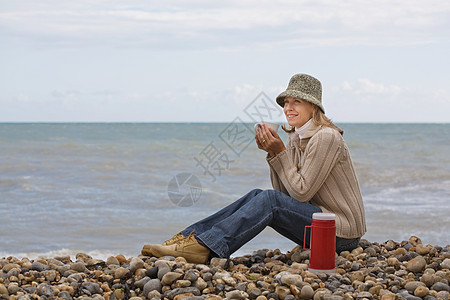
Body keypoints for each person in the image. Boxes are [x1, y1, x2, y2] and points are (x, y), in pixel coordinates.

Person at [142, 73, 366, 264]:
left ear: (313, 106)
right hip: (319, 225)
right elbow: (286, 195)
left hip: (340, 233)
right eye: (286, 102)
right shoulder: (297, 139)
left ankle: (205, 248)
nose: (288, 108)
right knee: (258, 195)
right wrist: (272, 153)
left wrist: (279, 153)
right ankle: (188, 239)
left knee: (268, 199)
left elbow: (301, 193)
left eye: (296, 101)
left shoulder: (325, 137)